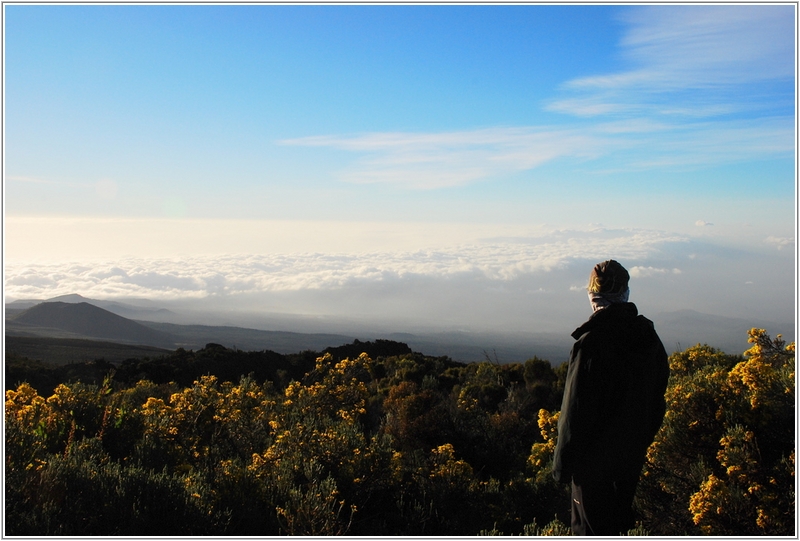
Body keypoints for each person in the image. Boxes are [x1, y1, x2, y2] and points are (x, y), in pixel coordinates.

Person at [552, 259, 669, 536]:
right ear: (625, 293)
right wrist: (638, 441)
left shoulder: (591, 344)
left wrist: (561, 467)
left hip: (592, 467)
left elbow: (574, 413)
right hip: (629, 460)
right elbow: (657, 400)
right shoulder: (648, 338)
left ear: (592, 296)